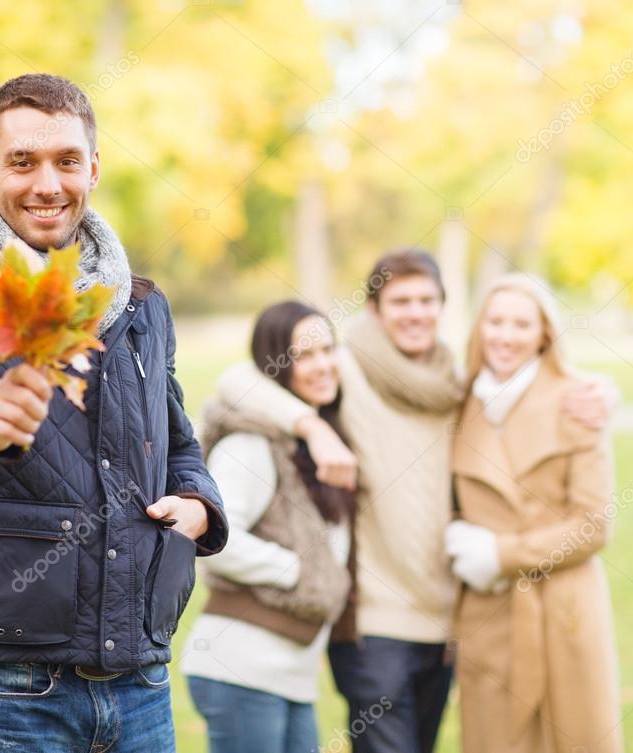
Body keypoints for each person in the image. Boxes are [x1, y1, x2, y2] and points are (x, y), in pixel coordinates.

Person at [0, 73, 228, 753]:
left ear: (93, 168)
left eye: (66, 161)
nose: (48, 183)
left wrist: (198, 503)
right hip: (11, 690)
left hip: (140, 681)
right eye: (23, 162)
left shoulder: (141, 305)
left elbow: (180, 441)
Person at [216, 250, 612, 753]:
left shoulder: (455, 385)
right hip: (373, 626)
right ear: (374, 311)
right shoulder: (349, 368)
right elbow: (238, 381)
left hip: (446, 624)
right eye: (400, 301)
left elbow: (537, 394)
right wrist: (312, 426)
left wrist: (601, 393)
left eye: (427, 300)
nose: (415, 312)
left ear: (443, 307)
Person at [445, 273, 622, 753]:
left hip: (564, 610)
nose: (505, 335)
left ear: (544, 332)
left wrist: (501, 554)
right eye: (495, 321)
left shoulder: (579, 401)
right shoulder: (458, 404)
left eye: (521, 324)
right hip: (491, 611)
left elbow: (593, 525)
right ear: (479, 328)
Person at [182, 300, 355, 753]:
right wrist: (304, 572)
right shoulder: (250, 444)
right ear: (275, 365)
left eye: (327, 350)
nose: (321, 366)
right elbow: (217, 537)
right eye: (304, 356)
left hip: (290, 677)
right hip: (241, 670)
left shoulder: (319, 441)